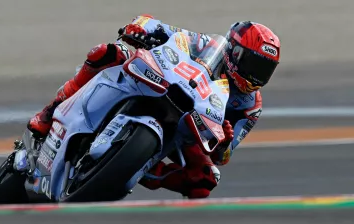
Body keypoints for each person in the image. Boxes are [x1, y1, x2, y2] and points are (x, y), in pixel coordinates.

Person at [26, 14, 280, 199]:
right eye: (252, 64)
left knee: (205, 179)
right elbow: (154, 25)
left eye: (264, 70)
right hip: (159, 84)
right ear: (234, 52)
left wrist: (224, 142)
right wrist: (137, 29)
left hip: (189, 131)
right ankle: (48, 115)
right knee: (106, 53)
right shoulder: (203, 44)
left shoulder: (250, 106)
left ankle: (141, 170)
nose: (256, 75)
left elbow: (224, 156)